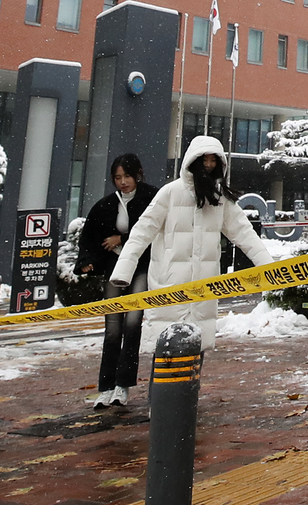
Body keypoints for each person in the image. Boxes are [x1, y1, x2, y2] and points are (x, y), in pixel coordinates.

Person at [109, 135, 275, 355]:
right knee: (164, 359)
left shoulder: (219, 198)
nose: (208, 165)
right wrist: (123, 270)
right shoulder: (170, 193)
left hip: (203, 292)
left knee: (194, 358)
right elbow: (141, 232)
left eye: (213, 160)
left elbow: (245, 234)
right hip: (168, 287)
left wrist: (270, 269)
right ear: (192, 161)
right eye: (203, 159)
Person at [78, 152, 158, 408]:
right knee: (113, 327)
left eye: (127, 176)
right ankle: (106, 386)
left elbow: (153, 228)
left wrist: (121, 239)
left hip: (142, 267)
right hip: (115, 268)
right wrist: (87, 262)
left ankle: (123, 385)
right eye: (117, 177)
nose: (123, 182)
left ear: (137, 174)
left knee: (133, 323)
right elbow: (89, 236)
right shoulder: (105, 205)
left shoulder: (152, 198)